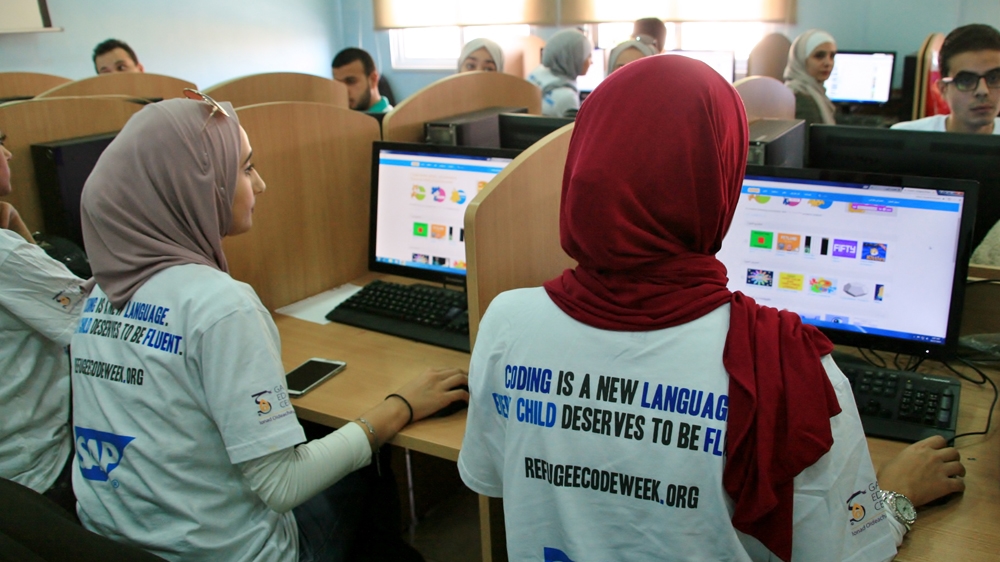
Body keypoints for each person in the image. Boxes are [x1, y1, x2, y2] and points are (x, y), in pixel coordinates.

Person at [457, 56, 966, 562]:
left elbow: (498, 479)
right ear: (720, 177)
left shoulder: (506, 322)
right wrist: (894, 499)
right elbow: (843, 553)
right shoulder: (789, 368)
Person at [70, 94, 467, 561]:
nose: (261, 184)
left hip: (112, 540)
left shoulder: (103, 292)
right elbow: (283, 484)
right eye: (245, 168)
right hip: (225, 552)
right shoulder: (221, 306)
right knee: (366, 466)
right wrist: (398, 406)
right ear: (197, 184)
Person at [0, 128, 88, 516]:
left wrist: (15, 222)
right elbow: (93, 318)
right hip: (40, 472)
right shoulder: (6, 258)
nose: (9, 154)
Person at [893, 24, 1000, 134]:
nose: (983, 91)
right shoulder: (907, 137)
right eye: (966, 80)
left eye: (994, 78)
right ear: (943, 89)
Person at [527, 29, 593, 118]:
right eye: (588, 56)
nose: (591, 62)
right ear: (574, 59)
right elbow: (572, 131)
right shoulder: (567, 97)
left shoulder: (536, 73)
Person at [784, 29, 838, 127]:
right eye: (819, 56)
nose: (828, 63)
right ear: (801, 59)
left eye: (832, 56)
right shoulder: (802, 100)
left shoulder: (816, 93)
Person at [332, 47, 392, 113]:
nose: (343, 91)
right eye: (338, 84)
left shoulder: (392, 121)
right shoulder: (342, 118)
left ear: (373, 79)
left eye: (351, 81)